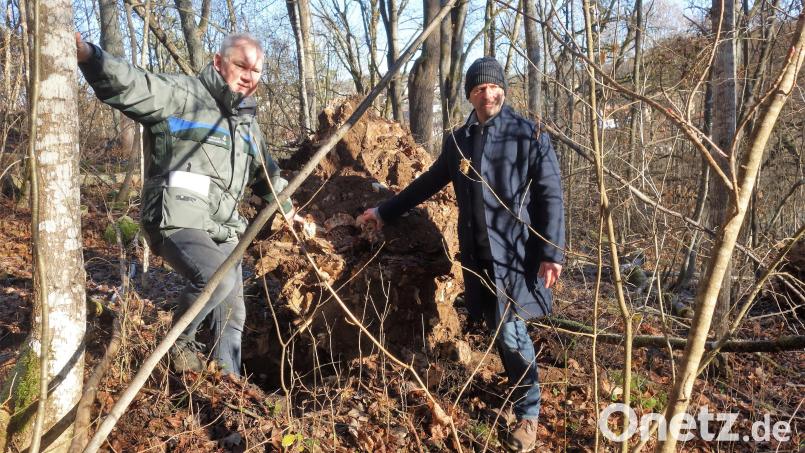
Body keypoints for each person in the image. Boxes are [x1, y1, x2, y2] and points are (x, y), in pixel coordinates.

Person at [358, 57, 565, 451]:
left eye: (493, 87)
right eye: (478, 89)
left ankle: (528, 414)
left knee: (509, 328)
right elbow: (428, 182)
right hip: (476, 255)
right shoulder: (458, 140)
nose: (487, 94)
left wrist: (551, 251)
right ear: (470, 94)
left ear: (503, 89)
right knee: (497, 325)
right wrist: (384, 211)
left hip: (515, 253)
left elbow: (549, 193)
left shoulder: (528, 134)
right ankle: (520, 394)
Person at [76, 33, 294, 377]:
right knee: (214, 281)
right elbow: (131, 83)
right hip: (175, 216)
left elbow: (269, 179)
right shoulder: (182, 95)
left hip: (222, 229)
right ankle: (177, 346)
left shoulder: (248, 125)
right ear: (218, 62)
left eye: (256, 70)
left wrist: (293, 216)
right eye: (241, 65)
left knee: (233, 314)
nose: (249, 76)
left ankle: (230, 388)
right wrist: (89, 54)